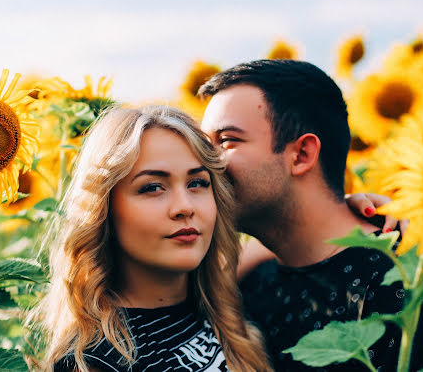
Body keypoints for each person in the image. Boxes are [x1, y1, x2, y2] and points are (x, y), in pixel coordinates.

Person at [198, 59, 423, 371]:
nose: (206, 163)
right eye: (206, 146)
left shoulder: (400, 290)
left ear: (302, 155)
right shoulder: (252, 282)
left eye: (227, 141)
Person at [31, 105, 272, 371]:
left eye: (197, 183)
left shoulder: (219, 307)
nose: (184, 206)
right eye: (152, 187)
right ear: (103, 209)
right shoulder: (98, 361)